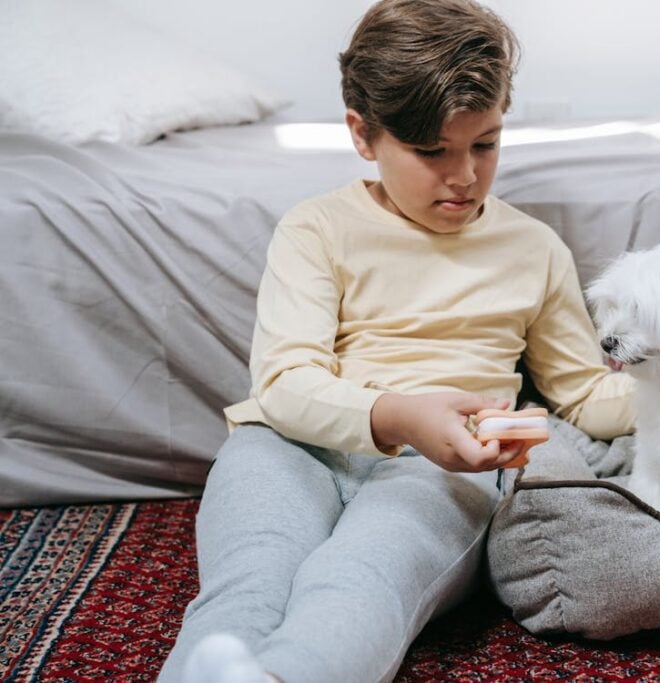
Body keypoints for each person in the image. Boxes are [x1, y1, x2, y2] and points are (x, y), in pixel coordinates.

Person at [158, 1, 635, 681]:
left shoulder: (534, 248)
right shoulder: (316, 227)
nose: (465, 175)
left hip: (443, 464)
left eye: (485, 143)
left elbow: (585, 392)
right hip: (289, 444)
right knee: (246, 587)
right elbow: (286, 382)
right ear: (363, 133)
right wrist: (398, 412)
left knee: (359, 578)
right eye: (431, 151)